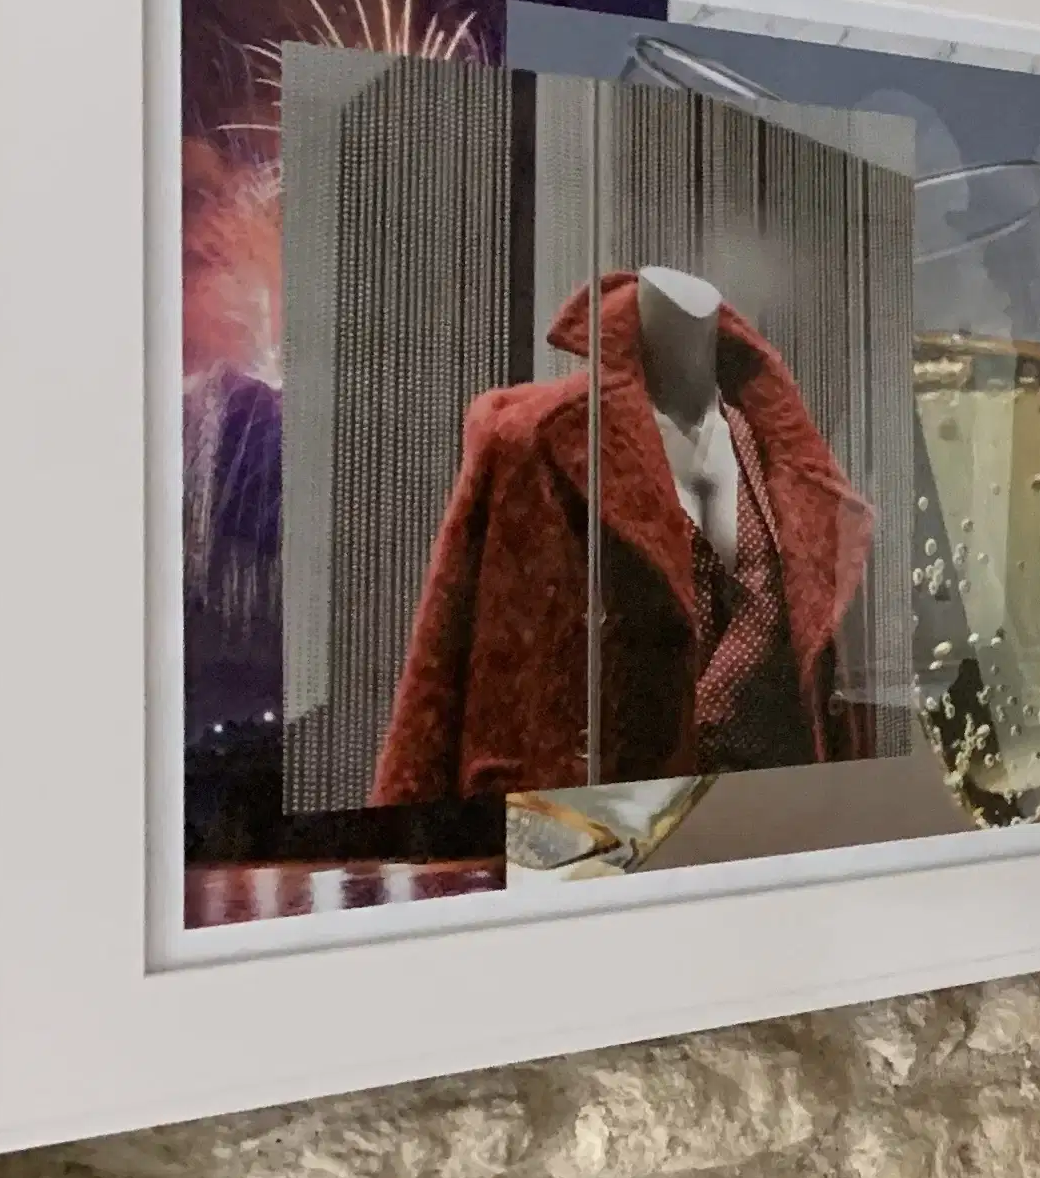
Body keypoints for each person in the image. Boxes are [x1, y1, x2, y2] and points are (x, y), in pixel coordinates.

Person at [373, 268, 876, 801]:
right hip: (601, 826)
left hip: (767, 818)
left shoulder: (781, 460)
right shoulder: (537, 440)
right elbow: (445, 662)